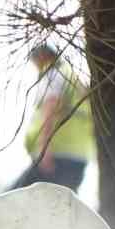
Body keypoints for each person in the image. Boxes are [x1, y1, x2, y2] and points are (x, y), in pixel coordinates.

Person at [14, 44, 95, 193]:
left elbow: (50, 108)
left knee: (14, 199)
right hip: (79, 157)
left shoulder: (54, 74)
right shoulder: (74, 79)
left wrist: (44, 149)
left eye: (35, 64)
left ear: (42, 58)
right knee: (60, 207)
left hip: (57, 155)